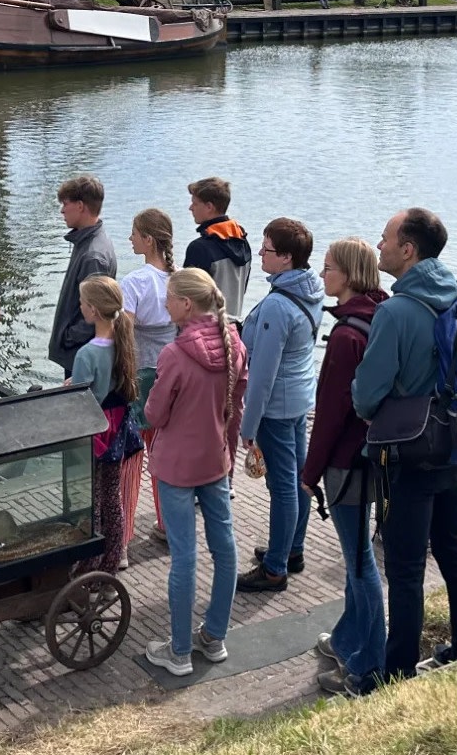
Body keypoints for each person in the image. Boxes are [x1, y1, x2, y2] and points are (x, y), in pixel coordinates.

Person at [352, 208, 457, 680]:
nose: (379, 245)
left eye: (385, 238)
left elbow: (366, 394)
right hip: (452, 441)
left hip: (407, 455)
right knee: (454, 549)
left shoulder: (395, 311)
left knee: (405, 569)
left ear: (408, 250)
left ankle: (396, 671)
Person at [143, 268, 246, 677]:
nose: (165, 304)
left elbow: (155, 413)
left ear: (186, 305)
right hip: (215, 462)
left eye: (169, 298)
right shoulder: (235, 344)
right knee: (225, 547)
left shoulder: (175, 355)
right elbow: (235, 407)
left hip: (176, 467)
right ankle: (214, 637)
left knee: (184, 557)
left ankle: (179, 651)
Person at [302, 237, 390, 696]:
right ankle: (347, 639)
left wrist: (309, 471)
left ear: (351, 275)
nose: (322, 275)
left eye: (329, 267)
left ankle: (370, 666)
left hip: (347, 462)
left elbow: (331, 413)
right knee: (358, 558)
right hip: (377, 456)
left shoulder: (345, 336)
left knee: (360, 565)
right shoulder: (383, 315)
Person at [235, 219, 323, 594]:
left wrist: (247, 426)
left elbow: (262, 376)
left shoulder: (276, 307)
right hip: (300, 396)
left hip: (277, 407)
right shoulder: (312, 289)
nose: (260, 254)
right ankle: (292, 550)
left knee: (283, 487)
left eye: (267, 249)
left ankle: (274, 569)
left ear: (286, 258)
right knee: (299, 478)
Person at [69, 275, 143, 572]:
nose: (80, 306)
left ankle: (88, 562)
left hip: (95, 430)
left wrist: (71, 387)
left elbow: (84, 397)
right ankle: (111, 560)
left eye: (83, 303)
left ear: (94, 311)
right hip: (118, 426)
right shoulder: (123, 343)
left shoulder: (87, 353)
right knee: (112, 497)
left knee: (91, 499)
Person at [122, 208, 177, 545]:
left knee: (130, 460)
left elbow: (124, 336)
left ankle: (123, 539)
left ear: (148, 239)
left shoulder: (134, 282)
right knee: (163, 455)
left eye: (134, 233)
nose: (129, 238)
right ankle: (168, 526)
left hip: (140, 376)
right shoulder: (180, 279)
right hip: (170, 375)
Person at [49, 174, 117, 378]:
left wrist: (67, 337)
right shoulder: (88, 242)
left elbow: (95, 313)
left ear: (80, 206)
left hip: (79, 354)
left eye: (65, 204)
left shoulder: (93, 255)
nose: (62, 210)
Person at [183, 177, 253, 320]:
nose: (190, 208)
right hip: (233, 329)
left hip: (203, 332)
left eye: (195, 203)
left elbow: (186, 298)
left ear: (209, 207)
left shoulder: (200, 248)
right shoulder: (243, 242)